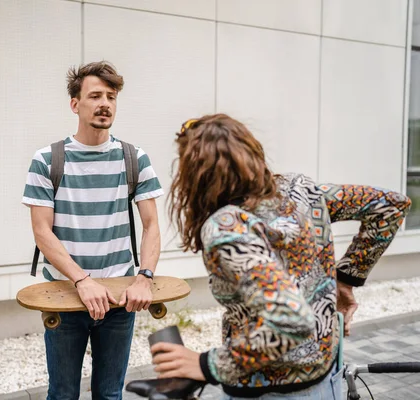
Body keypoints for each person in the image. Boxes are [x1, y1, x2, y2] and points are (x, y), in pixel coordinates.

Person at [151, 114, 411, 399]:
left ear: (196, 175)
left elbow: (289, 318)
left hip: (266, 389)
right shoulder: (302, 192)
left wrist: (206, 364)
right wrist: (347, 278)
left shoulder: (227, 225)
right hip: (326, 379)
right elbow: (390, 205)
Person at [22, 61, 164, 400]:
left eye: (111, 97)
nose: (105, 104)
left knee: (110, 393)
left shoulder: (134, 158)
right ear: (75, 104)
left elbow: (152, 225)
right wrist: (83, 282)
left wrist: (144, 277)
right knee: (63, 394)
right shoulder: (47, 159)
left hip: (120, 296)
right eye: (95, 95)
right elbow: (43, 232)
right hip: (65, 294)